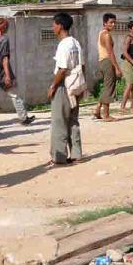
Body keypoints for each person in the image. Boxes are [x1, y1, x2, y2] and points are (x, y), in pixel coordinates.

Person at [0, 19, 34, 126]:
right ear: (3, 27)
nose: (8, 28)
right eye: (7, 26)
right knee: (15, 95)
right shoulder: (4, 39)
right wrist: (8, 75)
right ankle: (23, 118)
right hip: (2, 74)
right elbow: (4, 59)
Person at [48, 12, 83, 165]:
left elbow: (62, 69)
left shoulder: (64, 45)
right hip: (76, 84)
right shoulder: (75, 42)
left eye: (54, 24)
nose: (52, 27)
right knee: (73, 121)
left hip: (64, 84)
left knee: (59, 121)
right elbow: (82, 65)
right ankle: (76, 154)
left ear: (60, 26)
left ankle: (59, 157)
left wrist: (53, 86)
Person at [94, 13, 121, 122]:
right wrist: (117, 67)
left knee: (106, 86)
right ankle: (106, 115)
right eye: (111, 22)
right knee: (110, 87)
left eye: (114, 22)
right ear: (105, 23)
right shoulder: (107, 35)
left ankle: (97, 108)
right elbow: (110, 53)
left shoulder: (101, 33)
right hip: (107, 61)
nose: (113, 24)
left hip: (102, 61)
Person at [119, 20, 133, 114]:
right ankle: (122, 106)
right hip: (127, 63)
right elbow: (124, 52)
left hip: (132, 63)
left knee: (132, 86)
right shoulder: (129, 38)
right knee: (129, 85)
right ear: (130, 29)